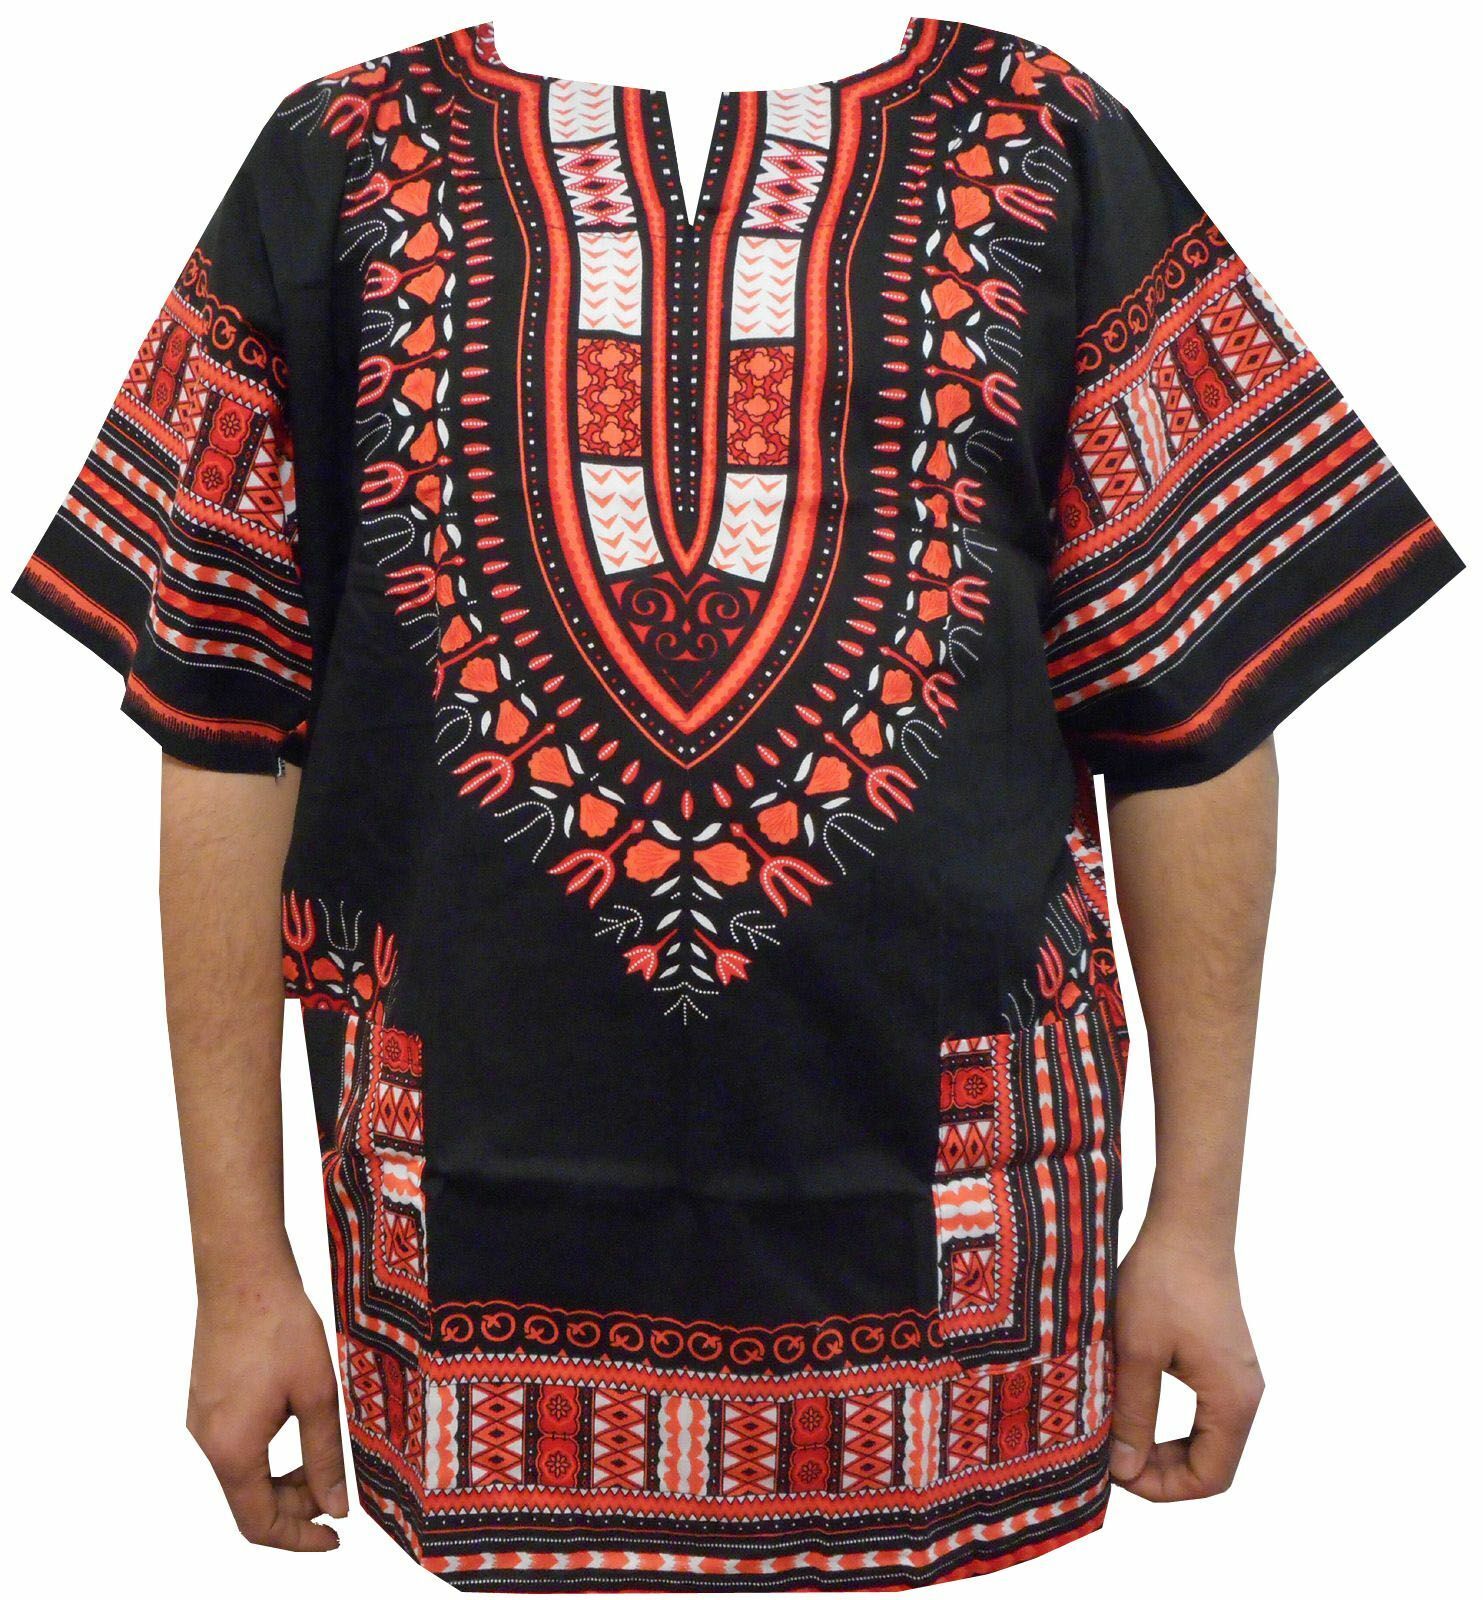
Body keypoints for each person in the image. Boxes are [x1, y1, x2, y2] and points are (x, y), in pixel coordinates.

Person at [11, 16, 1464, 1588]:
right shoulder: (338, 158)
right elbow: (221, 723)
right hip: (464, 1304)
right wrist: (239, 1273)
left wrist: (1196, 1223)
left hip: (962, 1320)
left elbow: (1196, 701)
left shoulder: (1046, 138)